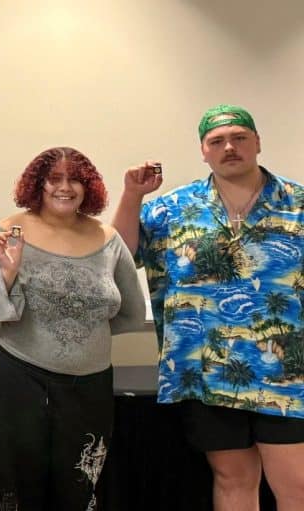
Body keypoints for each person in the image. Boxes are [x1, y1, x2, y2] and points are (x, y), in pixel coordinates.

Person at [113, 105, 304, 510]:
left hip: (289, 373)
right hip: (206, 373)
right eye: (217, 141)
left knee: (296, 484)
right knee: (233, 480)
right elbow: (121, 256)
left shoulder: (298, 203)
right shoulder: (173, 208)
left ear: (257, 143)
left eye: (239, 137)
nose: (229, 147)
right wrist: (132, 195)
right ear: (203, 151)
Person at [0, 146, 145, 510]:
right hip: (21, 382)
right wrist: (8, 274)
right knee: (20, 490)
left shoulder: (108, 240)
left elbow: (132, 313)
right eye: (54, 179)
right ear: (38, 184)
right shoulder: (9, 232)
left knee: (82, 490)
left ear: (88, 187)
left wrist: (82, 332)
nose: (65, 187)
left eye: (75, 179)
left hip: (90, 388)